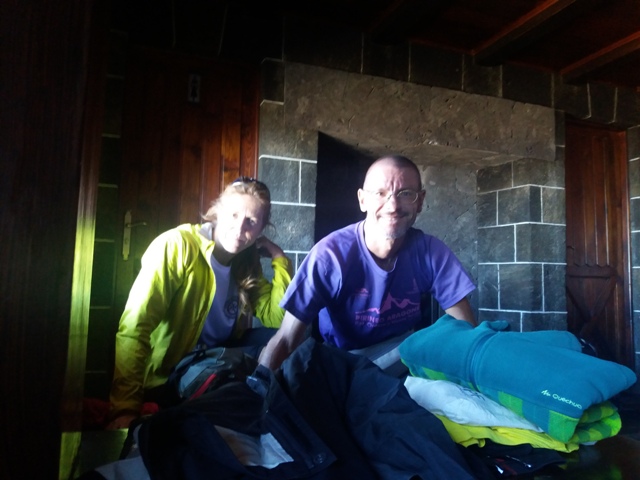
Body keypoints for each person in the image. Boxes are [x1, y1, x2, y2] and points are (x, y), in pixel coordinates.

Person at [106, 177, 293, 430]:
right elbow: (135, 326)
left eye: (251, 221)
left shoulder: (245, 262)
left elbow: (277, 318)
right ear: (217, 211)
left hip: (217, 357)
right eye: (234, 215)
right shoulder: (178, 246)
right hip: (172, 372)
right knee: (242, 391)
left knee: (286, 342)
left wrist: (279, 258)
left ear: (261, 228)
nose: (240, 229)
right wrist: (125, 408)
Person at [259, 155, 476, 371]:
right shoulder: (329, 256)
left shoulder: (431, 252)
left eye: (405, 194)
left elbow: (465, 329)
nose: (393, 206)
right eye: (380, 193)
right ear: (362, 200)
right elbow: (286, 339)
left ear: (420, 201)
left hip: (404, 356)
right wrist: (258, 385)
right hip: (344, 363)